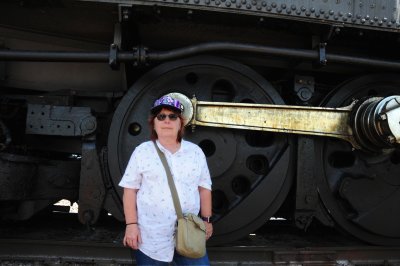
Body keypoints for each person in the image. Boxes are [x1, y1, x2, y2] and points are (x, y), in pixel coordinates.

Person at [119, 94, 213, 265]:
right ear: (154, 123)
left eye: (173, 116)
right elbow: (130, 190)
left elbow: (204, 187)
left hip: (189, 233)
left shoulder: (195, 152)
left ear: (181, 123)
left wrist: (207, 220)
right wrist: (131, 224)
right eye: (161, 116)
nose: (167, 120)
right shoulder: (142, 152)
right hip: (151, 237)